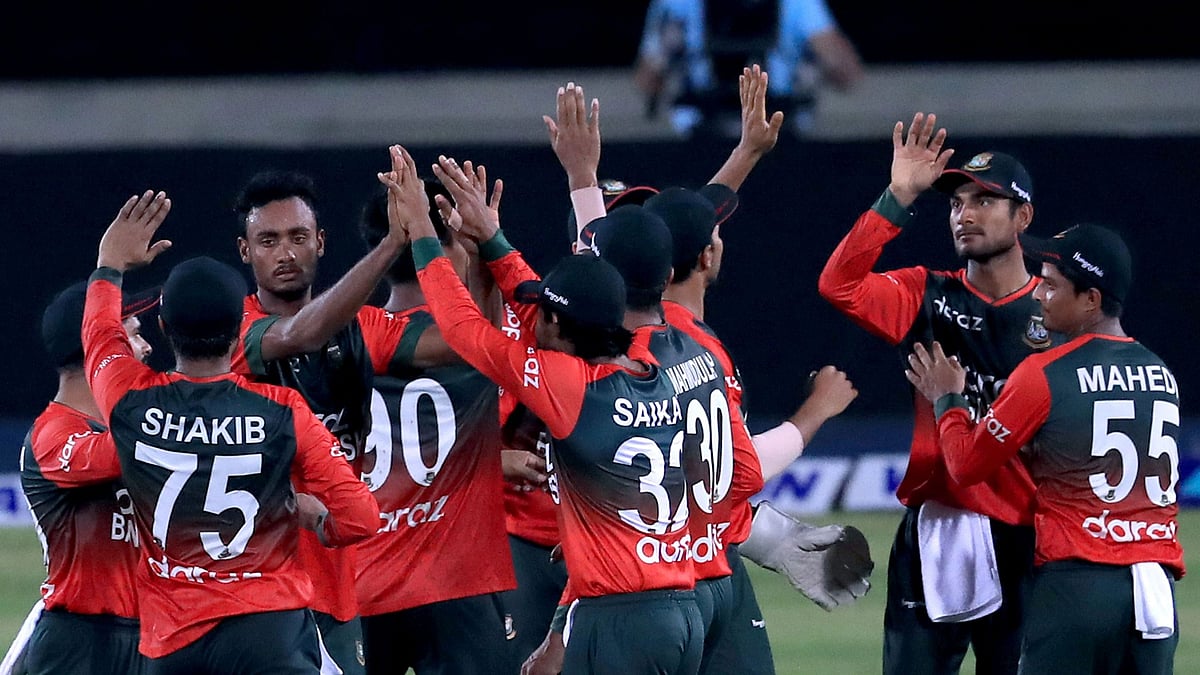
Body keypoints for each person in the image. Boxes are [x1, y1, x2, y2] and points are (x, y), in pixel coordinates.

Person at [386, 145, 705, 674]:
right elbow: (539, 295)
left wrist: (424, 233)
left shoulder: (567, 387)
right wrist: (491, 237)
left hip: (620, 614)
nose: (531, 320)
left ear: (557, 328)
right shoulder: (656, 352)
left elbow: (466, 331)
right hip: (680, 602)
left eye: (543, 318)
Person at [82, 190, 378, 673]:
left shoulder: (128, 400)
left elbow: (99, 338)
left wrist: (108, 263)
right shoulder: (284, 410)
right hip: (272, 632)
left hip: (175, 641)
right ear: (242, 323)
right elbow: (362, 519)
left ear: (161, 325)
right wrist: (309, 517)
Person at [817, 113, 1054, 674]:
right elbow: (839, 284)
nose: (964, 214)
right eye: (955, 203)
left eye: (983, 201)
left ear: (1023, 216)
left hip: (1031, 534)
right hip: (940, 528)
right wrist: (898, 195)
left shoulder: (1058, 306)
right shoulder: (924, 294)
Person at [905, 223, 1184, 674]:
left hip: (1076, 584)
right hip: (1155, 590)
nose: (1038, 295)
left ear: (1091, 299)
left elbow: (964, 464)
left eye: (1052, 287)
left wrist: (948, 399)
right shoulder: (1161, 373)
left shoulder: (1044, 374)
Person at [231, 169, 458, 673]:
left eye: (298, 237)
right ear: (245, 251)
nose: (286, 253)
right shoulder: (235, 333)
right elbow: (298, 335)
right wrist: (388, 248)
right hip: (257, 583)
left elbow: (460, 343)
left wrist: (472, 243)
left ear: (321, 242)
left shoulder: (360, 328)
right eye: (268, 240)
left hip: (336, 579)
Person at [352, 179, 518, 674]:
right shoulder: (486, 337)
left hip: (366, 577)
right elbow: (482, 342)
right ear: (446, 244)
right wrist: (485, 255)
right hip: (459, 582)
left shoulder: (349, 331)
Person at [15, 281, 157, 675]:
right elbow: (114, 456)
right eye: (133, 334)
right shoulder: (53, 432)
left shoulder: (125, 425)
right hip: (79, 642)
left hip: (148, 638)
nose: (146, 348)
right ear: (98, 347)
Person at [635, 0, 864, 138]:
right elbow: (647, 82)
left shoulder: (797, 4)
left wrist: (826, 48)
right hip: (702, 131)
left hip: (782, 133)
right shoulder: (679, 4)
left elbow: (848, 77)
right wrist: (662, 52)